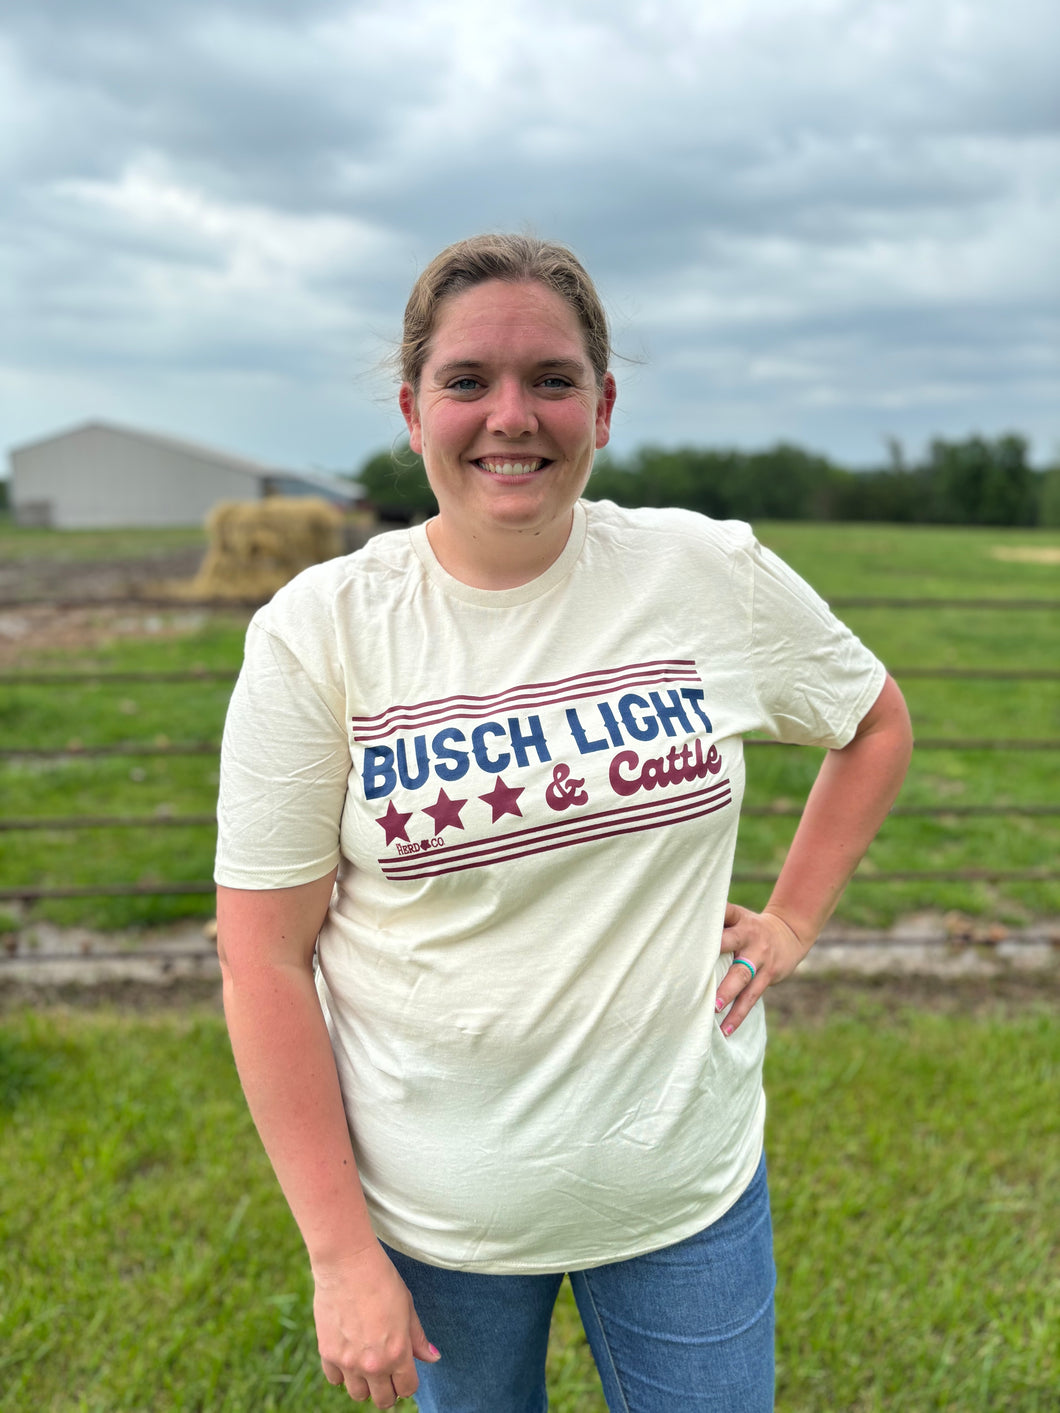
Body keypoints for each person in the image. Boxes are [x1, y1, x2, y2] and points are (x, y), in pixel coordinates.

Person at [215, 233, 913, 1412]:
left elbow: (873, 723)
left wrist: (791, 918)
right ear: (410, 406)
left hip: (683, 1185)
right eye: (467, 382)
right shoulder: (319, 629)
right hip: (441, 1218)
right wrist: (341, 1258)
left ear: (604, 403)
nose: (511, 417)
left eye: (551, 380)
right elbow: (264, 956)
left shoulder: (704, 571)